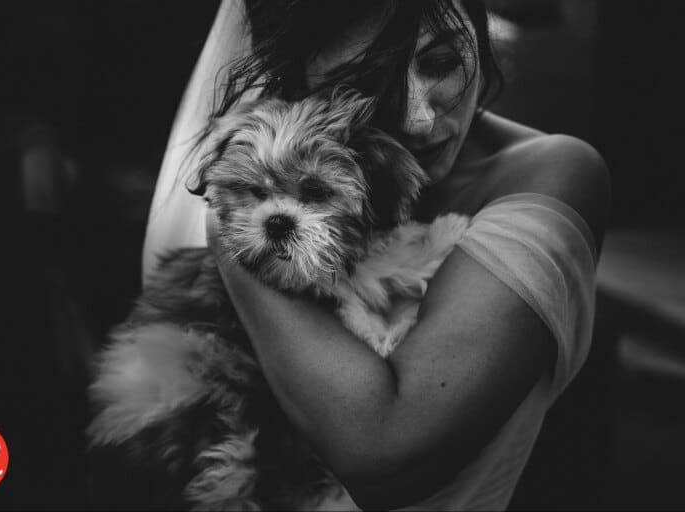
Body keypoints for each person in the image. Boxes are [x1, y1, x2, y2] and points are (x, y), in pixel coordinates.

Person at [142, 0, 610, 509]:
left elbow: (380, 457)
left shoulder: (552, 173)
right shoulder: (250, 168)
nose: (419, 118)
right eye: (366, 80)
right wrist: (242, 210)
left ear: (479, 32)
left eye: (441, 62)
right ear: (294, 77)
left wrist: (231, 228)